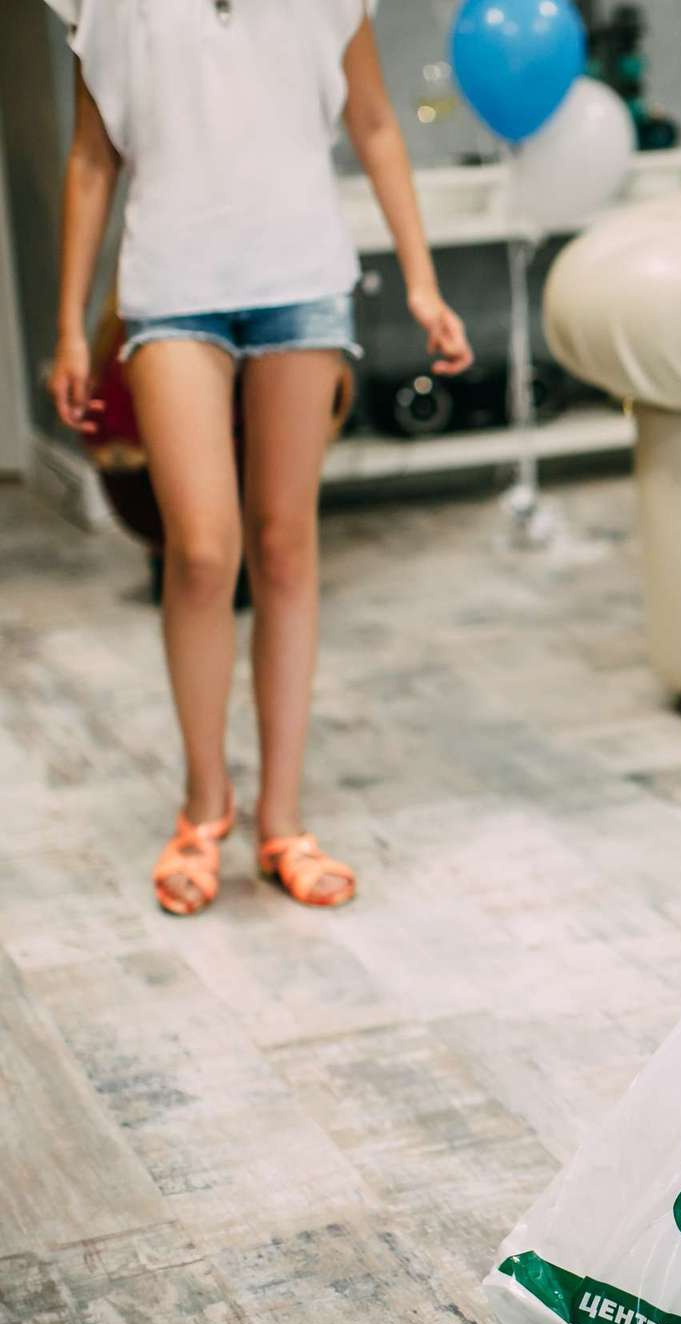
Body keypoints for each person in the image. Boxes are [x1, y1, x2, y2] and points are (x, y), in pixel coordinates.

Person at [46, 0, 473, 915]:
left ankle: (282, 819)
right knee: (202, 550)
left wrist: (424, 283)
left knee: (285, 546)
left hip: (302, 285)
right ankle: (204, 807)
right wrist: (69, 325)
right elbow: (93, 157)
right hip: (170, 290)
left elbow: (373, 122)